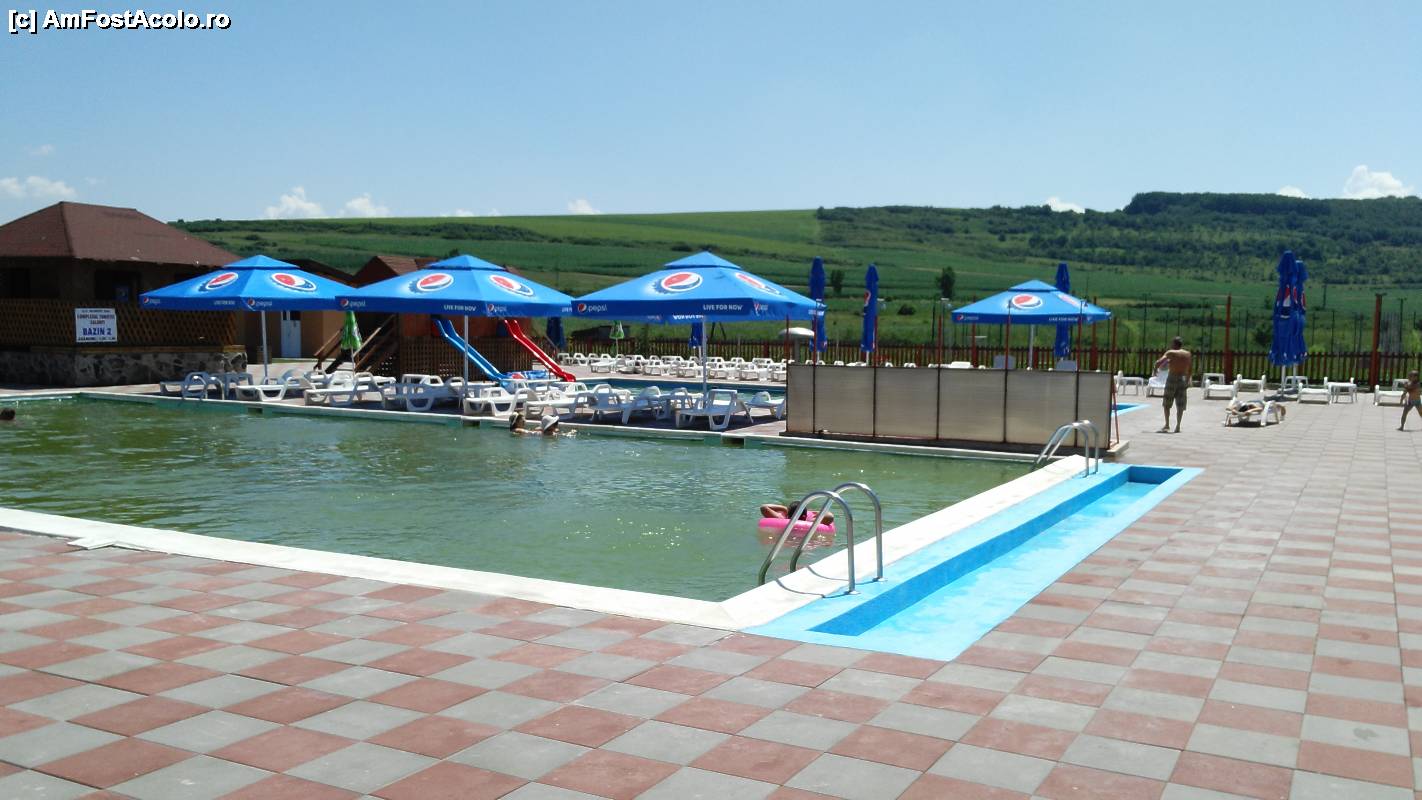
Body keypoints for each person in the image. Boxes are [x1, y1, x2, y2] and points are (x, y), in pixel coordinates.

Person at [1154, 336, 1192, 433]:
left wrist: (1155, 370)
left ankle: (1167, 424)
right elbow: (1190, 369)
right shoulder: (1187, 354)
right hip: (1182, 378)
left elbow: (1158, 362)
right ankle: (1178, 426)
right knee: (1180, 404)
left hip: (1172, 378)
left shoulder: (1170, 353)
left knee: (1167, 402)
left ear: (1174, 344)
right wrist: (1187, 381)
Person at [759, 501, 834, 525]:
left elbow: (764, 507)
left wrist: (784, 508)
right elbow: (830, 516)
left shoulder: (782, 519)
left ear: (788, 515)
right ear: (805, 516)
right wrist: (814, 512)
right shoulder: (810, 522)